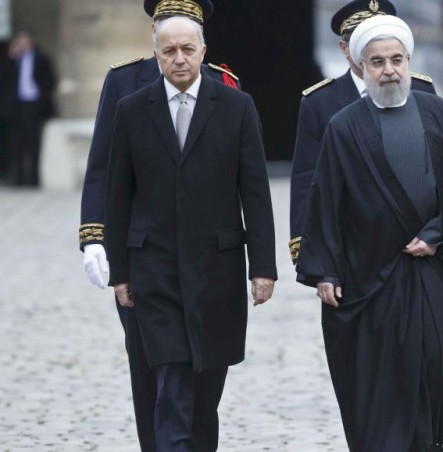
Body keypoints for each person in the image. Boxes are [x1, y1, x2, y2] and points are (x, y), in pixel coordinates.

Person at [297, 15, 443, 452]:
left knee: (435, 369)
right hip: (371, 275)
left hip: (435, 270)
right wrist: (325, 271)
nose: (389, 70)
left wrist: (436, 233)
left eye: (396, 60)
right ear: (361, 66)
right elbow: (326, 204)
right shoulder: (343, 125)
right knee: (385, 379)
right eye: (377, 62)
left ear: (409, 60)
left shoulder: (439, 114)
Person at [105, 15, 276, 451]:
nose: (179, 59)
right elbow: (117, 197)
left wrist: (263, 268)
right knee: (172, 380)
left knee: (205, 391)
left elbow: (254, 191)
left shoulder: (237, 107)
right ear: (156, 55)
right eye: (169, 51)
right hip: (153, 269)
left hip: (215, 268)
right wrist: (119, 272)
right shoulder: (131, 110)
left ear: (203, 51)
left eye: (187, 49)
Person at [78, 1, 241, 449]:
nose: (178, 54)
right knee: (150, 365)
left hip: (205, 257)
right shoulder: (122, 80)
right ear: (154, 29)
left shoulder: (225, 85)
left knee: (205, 372)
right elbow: (101, 167)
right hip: (141, 251)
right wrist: (95, 237)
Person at [288, 0, 436, 265]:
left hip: (416, 241)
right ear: (345, 48)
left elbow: (439, 169)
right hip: (352, 245)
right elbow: (306, 178)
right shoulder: (320, 101)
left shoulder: (422, 91)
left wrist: (436, 232)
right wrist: (306, 248)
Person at [0, 29, 56, 187]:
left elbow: (50, 81)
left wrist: (41, 101)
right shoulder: (12, 60)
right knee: (15, 144)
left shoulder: (41, 58)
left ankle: (32, 179)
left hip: (34, 105)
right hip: (15, 107)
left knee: (33, 144)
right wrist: (11, 58)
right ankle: (17, 179)